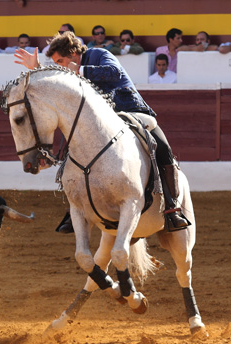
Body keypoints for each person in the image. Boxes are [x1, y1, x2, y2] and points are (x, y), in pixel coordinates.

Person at [14, 32, 190, 232]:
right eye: (57, 63)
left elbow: (113, 73)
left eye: (61, 61)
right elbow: (55, 81)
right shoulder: (69, 70)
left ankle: (172, 208)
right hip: (100, 123)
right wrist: (38, 69)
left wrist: (78, 69)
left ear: (73, 53)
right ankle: (75, 210)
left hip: (131, 110)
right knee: (72, 151)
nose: (60, 66)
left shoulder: (98, 54)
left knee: (164, 150)